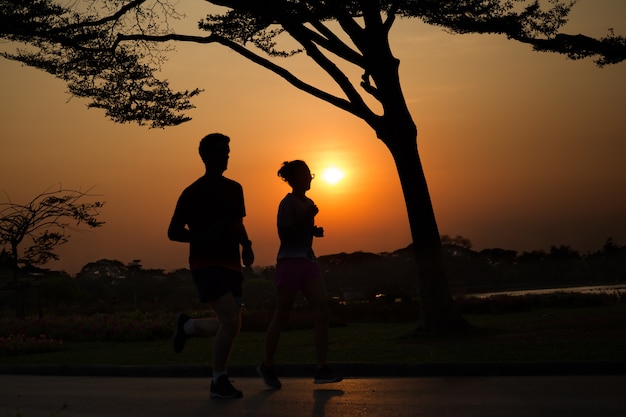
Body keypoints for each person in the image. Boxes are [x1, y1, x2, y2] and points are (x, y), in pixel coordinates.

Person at [168, 133, 254, 399]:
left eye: (228, 151)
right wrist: (202, 236)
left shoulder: (234, 188)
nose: (226, 156)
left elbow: (236, 222)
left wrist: (246, 245)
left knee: (232, 324)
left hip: (231, 263)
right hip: (205, 263)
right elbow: (173, 231)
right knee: (229, 320)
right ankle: (219, 381)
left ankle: (188, 327)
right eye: (221, 152)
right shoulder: (193, 192)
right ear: (206, 156)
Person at [257, 160, 343, 389]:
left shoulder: (309, 202)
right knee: (282, 315)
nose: (309, 178)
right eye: (304, 175)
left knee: (322, 312)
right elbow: (285, 234)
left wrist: (313, 229)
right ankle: (267, 365)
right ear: (293, 179)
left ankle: (322, 368)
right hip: (289, 262)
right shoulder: (287, 203)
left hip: (308, 260)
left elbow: (300, 230)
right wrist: (307, 219)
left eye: (310, 174)